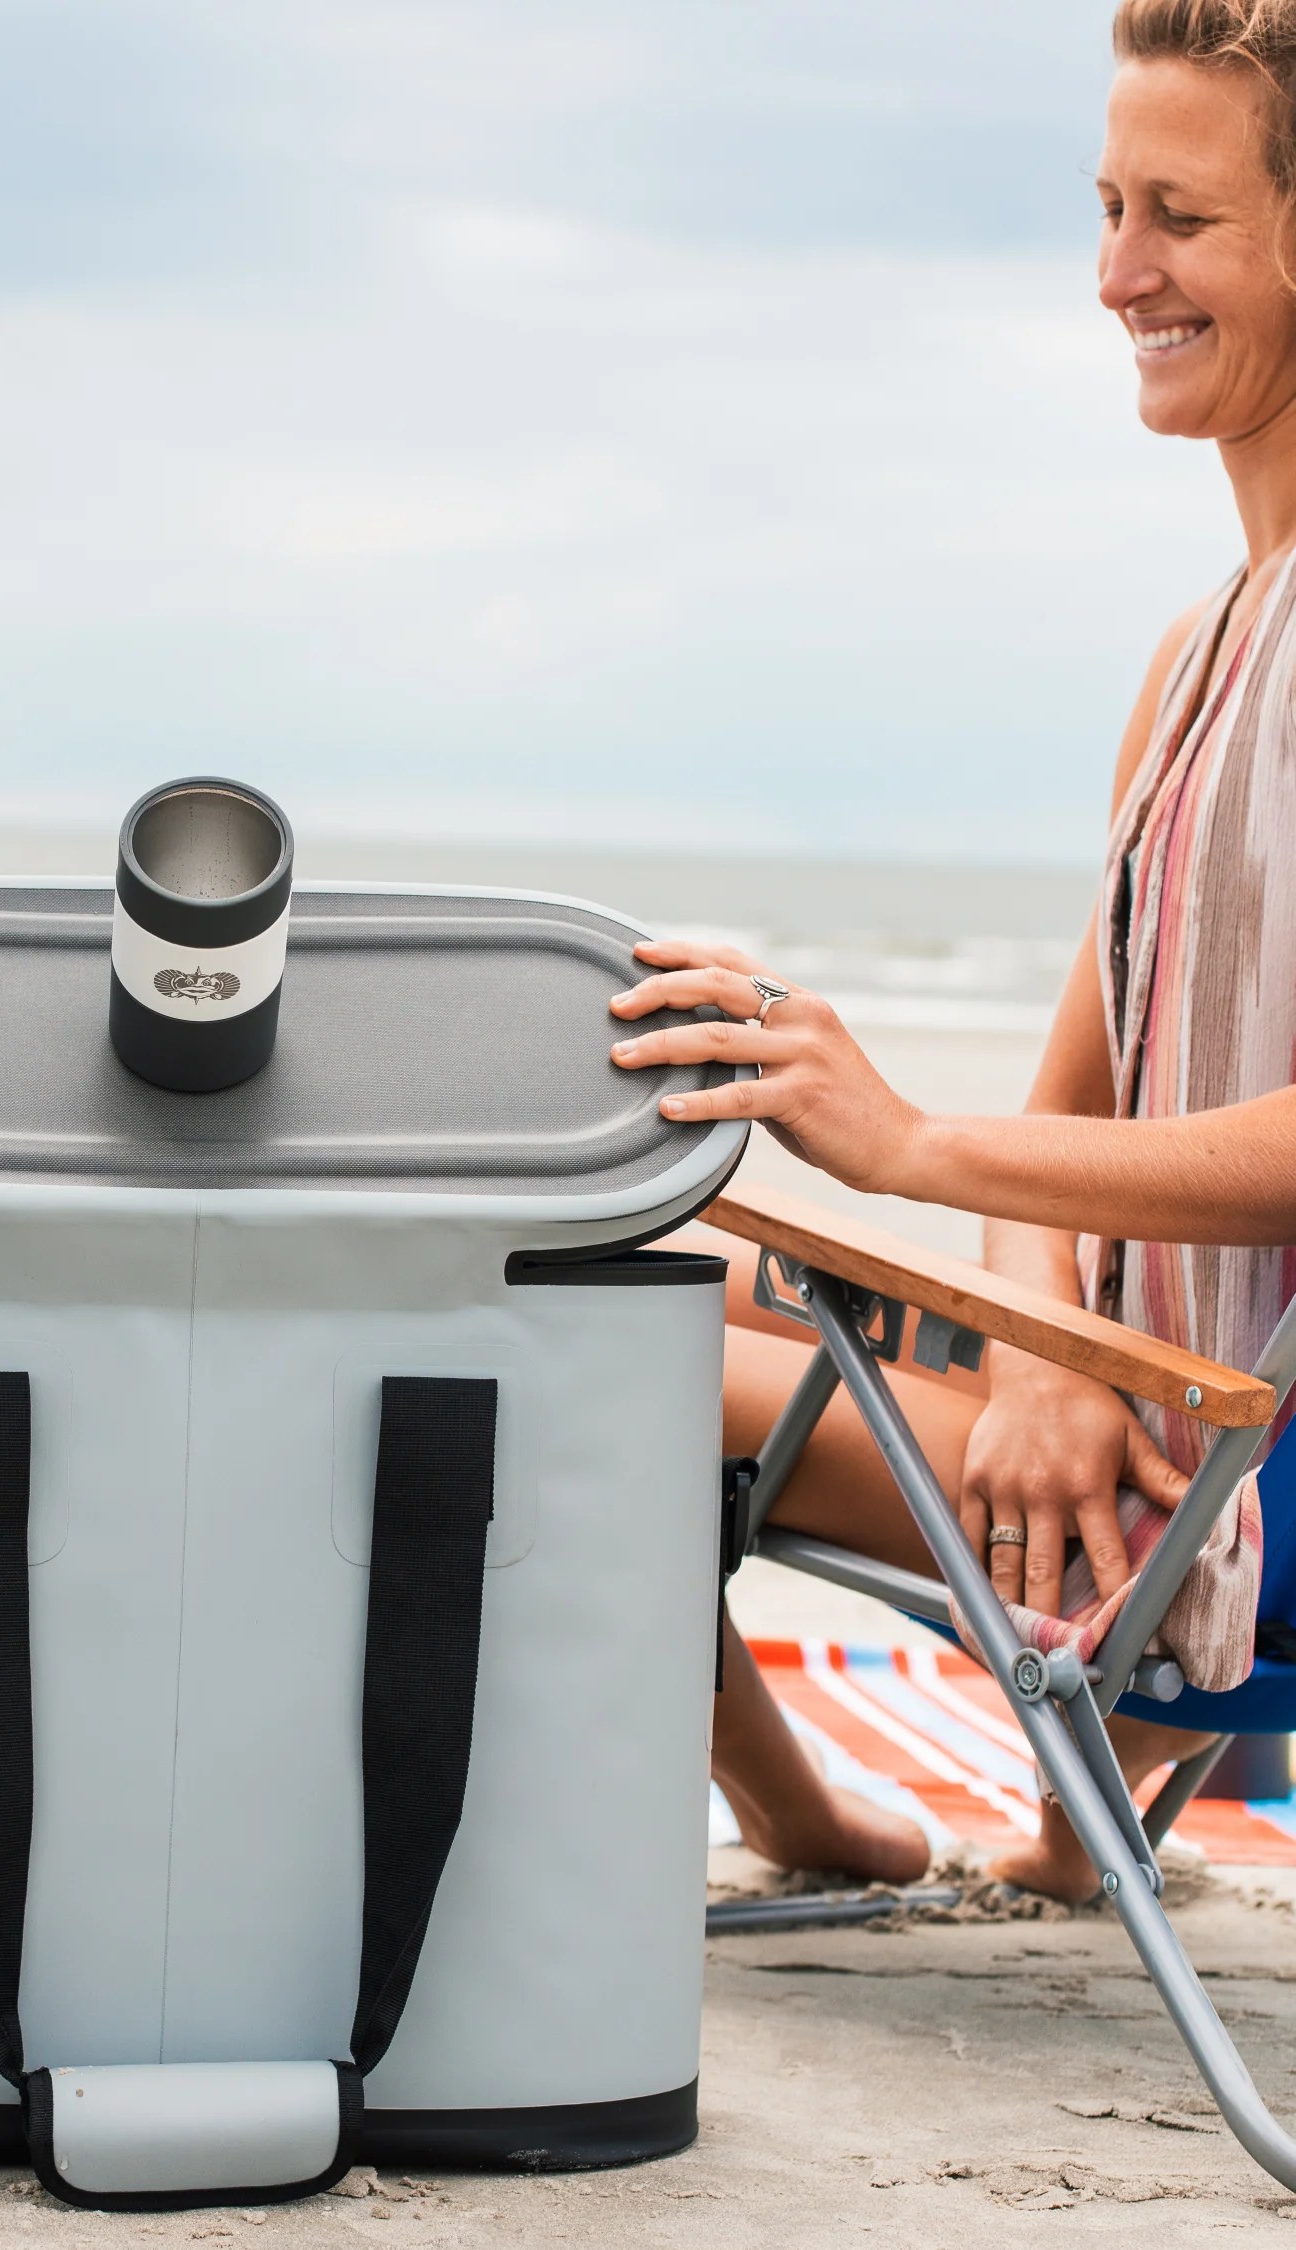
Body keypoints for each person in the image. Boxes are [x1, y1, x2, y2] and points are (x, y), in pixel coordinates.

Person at [613, 0, 1296, 1901]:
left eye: (1180, 218)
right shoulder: (1197, 654)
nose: (1117, 275)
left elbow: (1013, 1146)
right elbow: (1068, 1106)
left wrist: (907, 1146)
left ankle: (812, 1821)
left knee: (566, 1344)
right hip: (1157, 1394)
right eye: (1107, 208)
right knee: (612, 1266)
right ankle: (1045, 1826)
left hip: (1240, 1473)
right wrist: (1038, 1356)